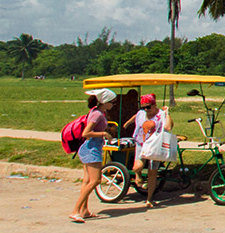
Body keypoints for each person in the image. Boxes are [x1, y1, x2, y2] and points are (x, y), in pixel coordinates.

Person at [70, 88, 115, 223]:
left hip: (89, 148)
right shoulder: (97, 114)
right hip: (91, 149)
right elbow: (86, 133)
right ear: (105, 102)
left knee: (87, 180)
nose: (113, 104)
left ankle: (84, 210)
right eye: (112, 102)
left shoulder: (98, 112)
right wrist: (103, 134)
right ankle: (75, 210)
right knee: (95, 181)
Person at [123, 93, 172, 207]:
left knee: (152, 172)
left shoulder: (160, 115)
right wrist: (128, 123)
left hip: (155, 146)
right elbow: (136, 116)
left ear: (154, 105)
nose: (146, 110)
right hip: (141, 144)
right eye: (143, 107)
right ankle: (137, 175)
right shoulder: (141, 113)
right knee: (138, 166)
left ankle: (149, 199)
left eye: (148, 107)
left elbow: (168, 127)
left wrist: (167, 113)